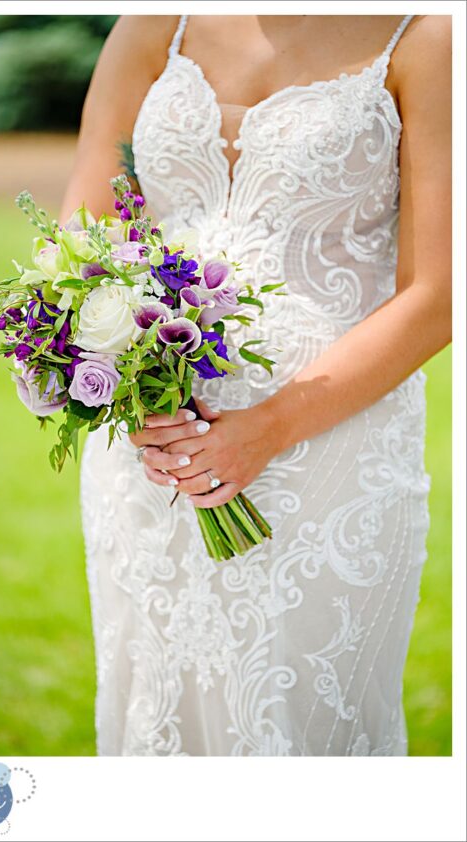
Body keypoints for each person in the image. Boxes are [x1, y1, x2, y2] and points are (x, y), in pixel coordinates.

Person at [62, 15, 451, 754]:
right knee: (157, 706)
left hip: (332, 454)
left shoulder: (426, 34)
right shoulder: (156, 23)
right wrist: (126, 386)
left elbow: (439, 292)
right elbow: (87, 231)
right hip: (153, 448)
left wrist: (270, 426)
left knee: (305, 723)